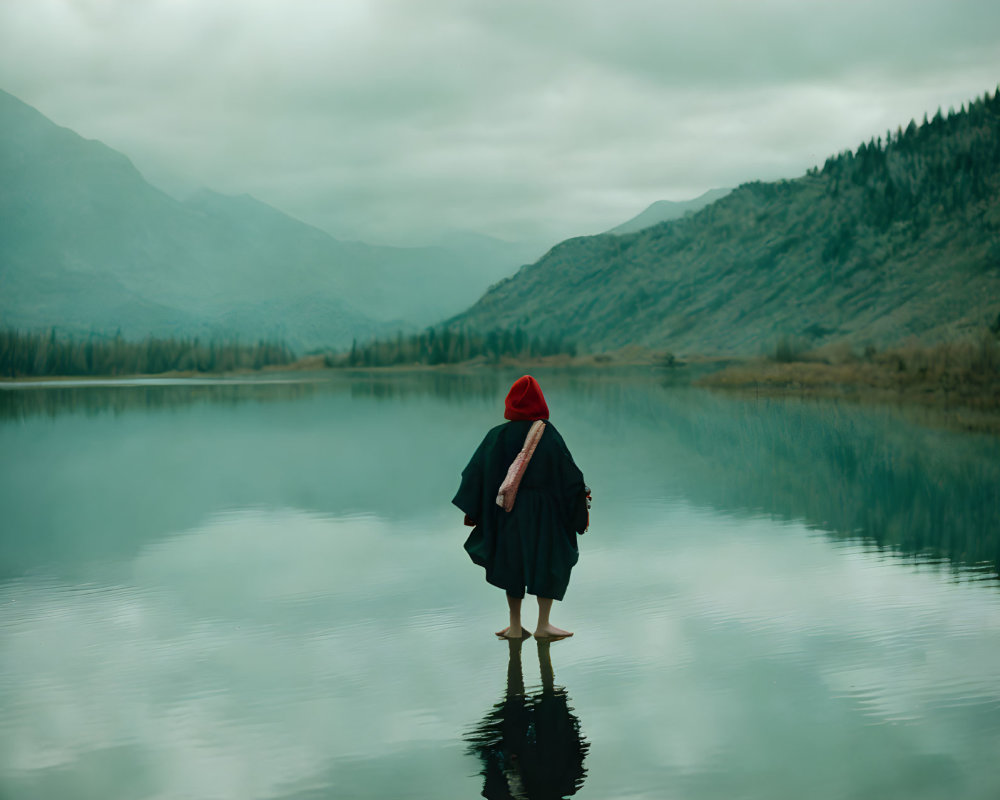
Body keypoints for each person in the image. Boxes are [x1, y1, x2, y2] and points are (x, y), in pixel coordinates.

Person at [453, 375, 589, 640]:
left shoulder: (496, 436)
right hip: (546, 515)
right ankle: (543, 625)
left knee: (511, 565)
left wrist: (476, 512)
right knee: (547, 563)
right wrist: (576, 512)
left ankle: (515, 627)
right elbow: (571, 478)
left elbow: (474, 476)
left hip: (506, 512)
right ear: (540, 401)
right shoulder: (547, 434)